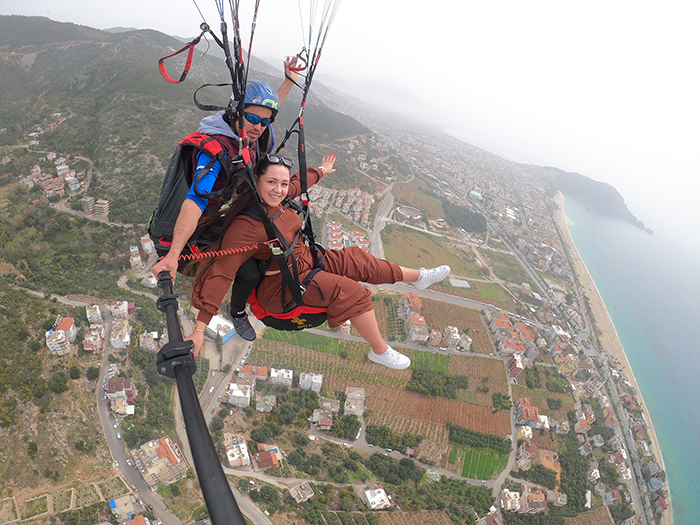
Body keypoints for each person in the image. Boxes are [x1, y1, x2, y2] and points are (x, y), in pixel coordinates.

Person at [187, 154, 451, 370]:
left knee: (358, 261)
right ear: (257, 182)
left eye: (281, 183)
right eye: (271, 183)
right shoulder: (246, 226)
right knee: (352, 293)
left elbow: (298, 183)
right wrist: (200, 328)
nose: (279, 189)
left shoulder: (280, 198)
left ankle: (420, 277)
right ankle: (379, 350)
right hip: (283, 284)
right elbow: (221, 274)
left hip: (307, 259)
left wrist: (321, 171)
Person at [152, 59, 299, 342]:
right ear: (236, 113)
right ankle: (229, 313)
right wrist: (172, 256)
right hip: (194, 230)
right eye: (252, 120)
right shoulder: (215, 150)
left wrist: (288, 82)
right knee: (247, 270)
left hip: (219, 216)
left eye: (265, 122)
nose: (258, 127)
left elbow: (261, 113)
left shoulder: (246, 130)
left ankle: (239, 307)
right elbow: (195, 200)